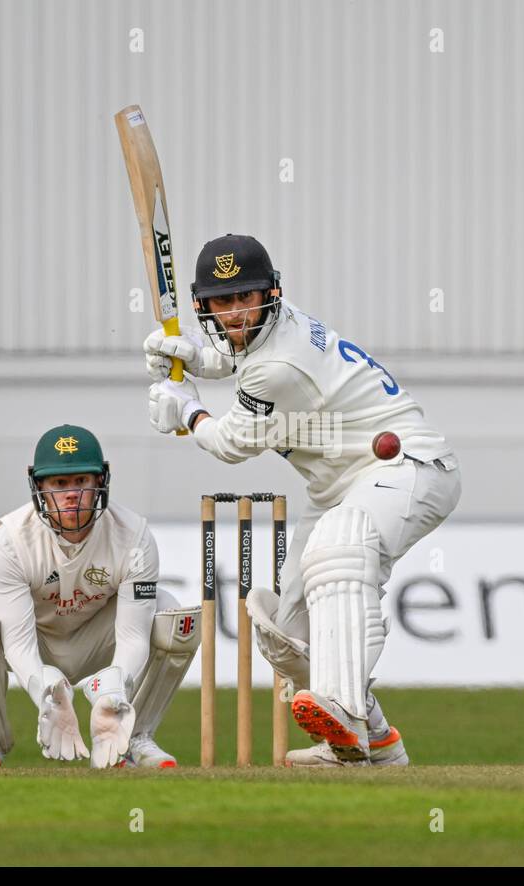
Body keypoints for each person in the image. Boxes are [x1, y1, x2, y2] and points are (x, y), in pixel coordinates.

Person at [144, 234, 461, 766]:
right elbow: (238, 357)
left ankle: (345, 708)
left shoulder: (281, 366)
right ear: (205, 308)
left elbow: (230, 444)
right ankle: (374, 742)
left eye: (247, 298)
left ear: (271, 292)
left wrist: (186, 411)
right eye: (223, 303)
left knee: (340, 547)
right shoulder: (272, 330)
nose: (238, 313)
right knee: (286, 633)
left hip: (406, 467)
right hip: (343, 484)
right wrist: (194, 360)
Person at [0, 424, 200, 770]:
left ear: (99, 481)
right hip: (37, 638)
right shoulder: (11, 538)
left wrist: (113, 691)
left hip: (97, 638)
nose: (71, 494)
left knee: (173, 619)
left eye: (81, 482)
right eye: (59, 484)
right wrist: (45, 689)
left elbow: (134, 635)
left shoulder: (133, 535)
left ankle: (133, 737)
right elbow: (17, 641)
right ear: (40, 487)